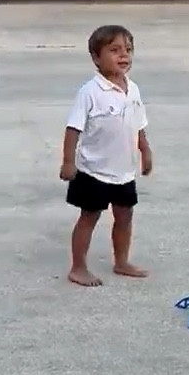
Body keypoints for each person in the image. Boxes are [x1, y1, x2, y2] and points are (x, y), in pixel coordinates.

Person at [60, 24, 152, 287]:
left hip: (124, 171)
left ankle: (121, 261)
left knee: (125, 216)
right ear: (96, 58)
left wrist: (145, 149)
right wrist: (68, 162)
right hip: (93, 171)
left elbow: (139, 123)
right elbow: (73, 128)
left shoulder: (132, 89)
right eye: (115, 50)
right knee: (89, 217)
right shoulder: (89, 92)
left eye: (128, 50)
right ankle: (78, 267)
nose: (124, 55)